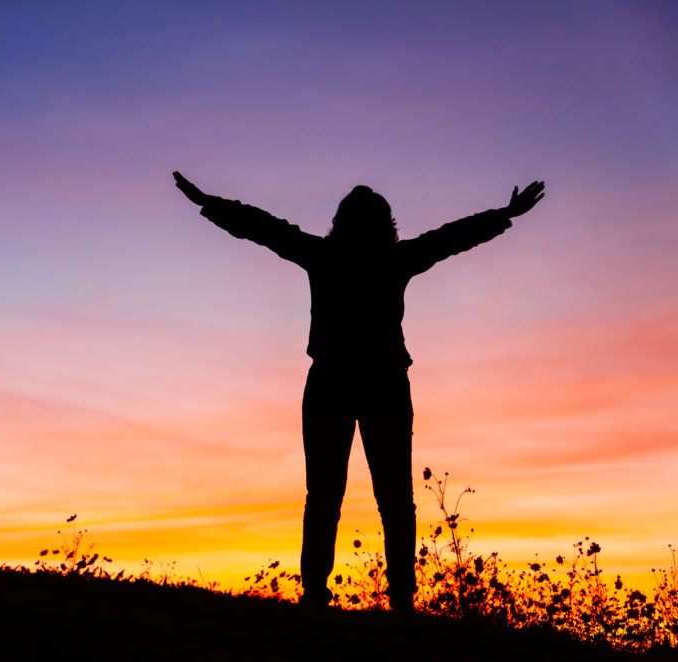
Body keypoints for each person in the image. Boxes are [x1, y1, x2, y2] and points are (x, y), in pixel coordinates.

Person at [173, 172, 545, 611]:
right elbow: (451, 237)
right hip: (376, 381)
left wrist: (208, 202)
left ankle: (321, 596)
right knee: (388, 499)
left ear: (340, 222)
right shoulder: (391, 258)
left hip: (341, 380)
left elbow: (263, 227)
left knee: (331, 496)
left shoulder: (326, 254)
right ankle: (395, 601)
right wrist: (504, 215)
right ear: (386, 225)